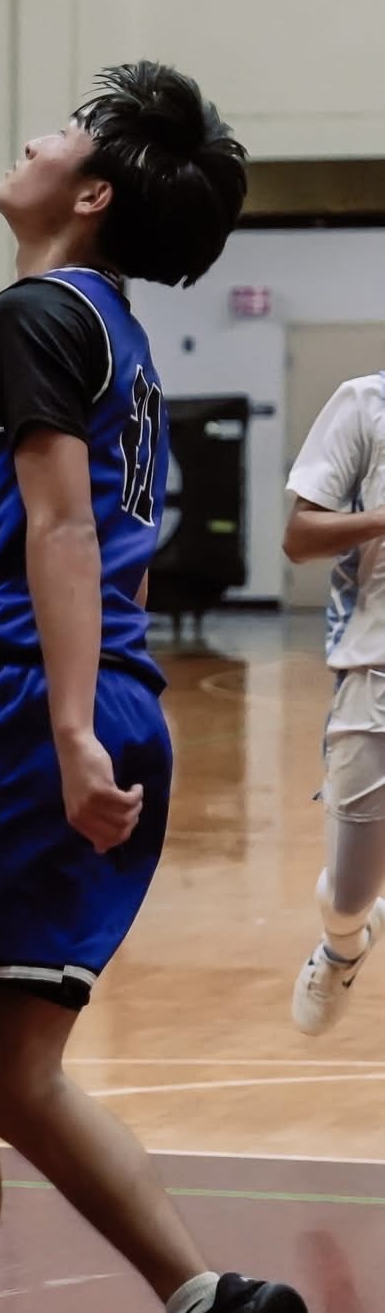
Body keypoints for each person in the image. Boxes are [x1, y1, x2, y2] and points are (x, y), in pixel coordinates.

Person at [0, 65, 304, 1313]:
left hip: (27, 708)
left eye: (61, 133)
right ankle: (204, 1293)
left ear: (94, 192)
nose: (33, 140)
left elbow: (62, 529)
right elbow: (117, 557)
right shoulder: (123, 341)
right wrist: (84, 702)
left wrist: (57, 725)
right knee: (16, 1068)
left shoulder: (34, 316)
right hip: (112, 694)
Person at [283, 364, 385, 1033]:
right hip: (374, 674)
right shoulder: (365, 403)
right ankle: (343, 945)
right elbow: (298, 537)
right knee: (349, 894)